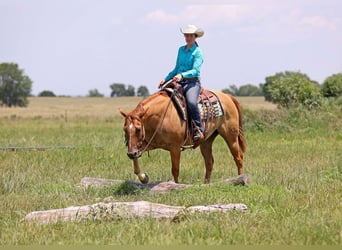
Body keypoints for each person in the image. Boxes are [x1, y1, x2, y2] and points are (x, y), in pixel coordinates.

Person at [158, 24, 205, 142]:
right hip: (178, 82)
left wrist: (182, 75)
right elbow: (176, 68)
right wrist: (166, 78)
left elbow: (195, 71)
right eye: (186, 35)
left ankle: (198, 129)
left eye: (190, 35)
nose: (188, 37)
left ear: (195, 37)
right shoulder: (181, 50)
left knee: (191, 102)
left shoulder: (198, 52)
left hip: (192, 83)